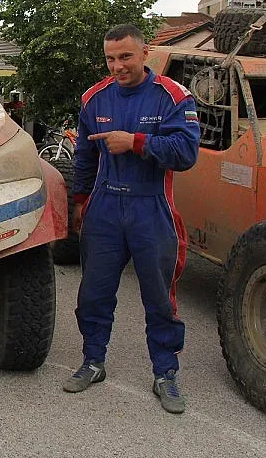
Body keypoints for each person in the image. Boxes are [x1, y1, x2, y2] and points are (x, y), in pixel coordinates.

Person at [63, 23, 200, 414]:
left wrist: (136, 142)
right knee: (93, 294)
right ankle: (92, 362)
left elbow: (187, 152)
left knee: (159, 298)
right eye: (111, 58)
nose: (118, 66)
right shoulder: (94, 99)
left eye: (125, 57)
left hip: (152, 208)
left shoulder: (172, 96)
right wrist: (79, 201)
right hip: (104, 209)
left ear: (144, 54)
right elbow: (86, 157)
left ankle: (165, 374)